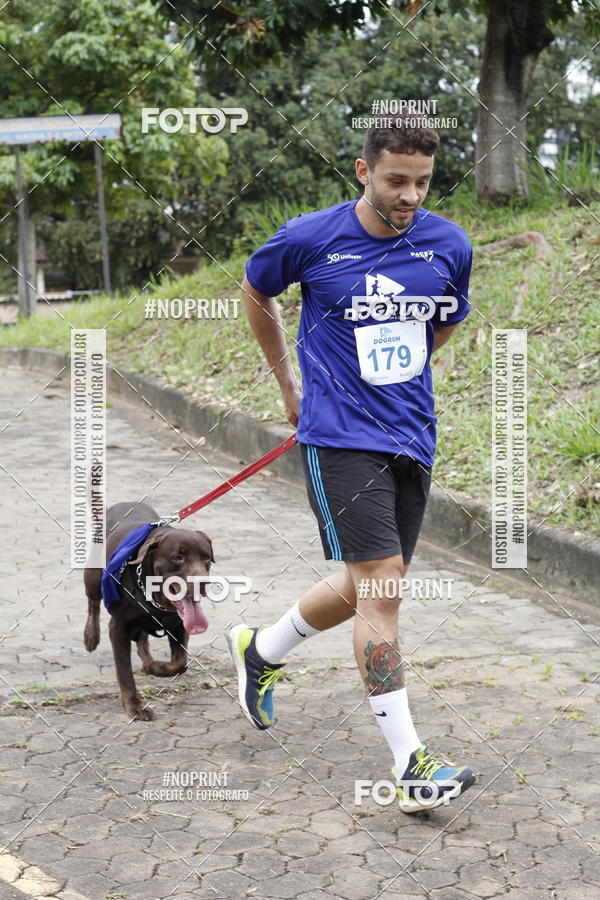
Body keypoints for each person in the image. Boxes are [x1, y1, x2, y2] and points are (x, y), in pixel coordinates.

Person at [227, 123, 475, 813]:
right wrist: (288, 383)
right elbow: (255, 289)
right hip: (337, 438)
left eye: (422, 182)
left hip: (412, 438)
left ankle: (260, 650)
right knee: (384, 588)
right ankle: (411, 765)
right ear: (362, 170)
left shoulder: (449, 244)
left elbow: (443, 320)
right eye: (396, 180)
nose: (410, 195)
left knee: (367, 584)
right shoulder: (311, 237)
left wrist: (399, 375)